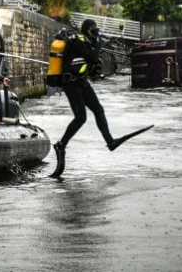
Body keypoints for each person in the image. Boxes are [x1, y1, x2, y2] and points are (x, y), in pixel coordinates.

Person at [50, 19, 153, 177]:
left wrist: (93, 65)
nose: (96, 31)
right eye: (93, 29)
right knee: (81, 117)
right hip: (71, 83)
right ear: (87, 30)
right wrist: (99, 43)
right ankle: (61, 145)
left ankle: (110, 142)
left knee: (98, 110)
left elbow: (90, 63)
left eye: (96, 29)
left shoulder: (87, 41)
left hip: (81, 82)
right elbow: (91, 57)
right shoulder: (78, 41)